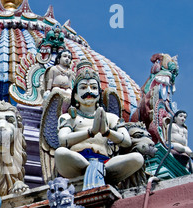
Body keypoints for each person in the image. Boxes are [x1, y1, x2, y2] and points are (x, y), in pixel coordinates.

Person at [54, 59, 144, 189]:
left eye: (94, 87)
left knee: (137, 158)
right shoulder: (68, 117)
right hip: (77, 161)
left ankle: (99, 170)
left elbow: (126, 141)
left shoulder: (111, 117)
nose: (89, 91)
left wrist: (107, 132)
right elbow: (63, 140)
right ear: (76, 96)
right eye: (83, 87)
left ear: (99, 94)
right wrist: (91, 132)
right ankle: (91, 170)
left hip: (106, 162)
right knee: (61, 152)